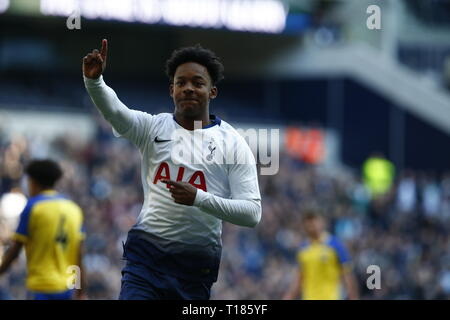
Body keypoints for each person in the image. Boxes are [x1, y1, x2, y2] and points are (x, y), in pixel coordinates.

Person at [82, 40, 261, 300]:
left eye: (197, 83)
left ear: (212, 91)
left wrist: (199, 198)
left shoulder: (232, 142)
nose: (188, 88)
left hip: (195, 269)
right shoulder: (154, 127)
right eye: (181, 83)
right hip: (145, 261)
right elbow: (116, 111)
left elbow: (252, 213)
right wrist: (95, 82)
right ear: (171, 90)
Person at [0, 159, 86, 300]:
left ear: (33, 182)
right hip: (67, 289)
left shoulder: (33, 207)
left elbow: (15, 250)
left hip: (41, 287)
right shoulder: (74, 209)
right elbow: (79, 255)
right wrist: (81, 291)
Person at [283, 209, 359, 300]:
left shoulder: (335, 245)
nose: (311, 226)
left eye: (314, 221)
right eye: (308, 222)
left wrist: (353, 297)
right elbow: (299, 279)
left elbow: (347, 276)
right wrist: (288, 297)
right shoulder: (303, 249)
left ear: (322, 222)